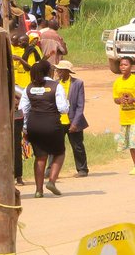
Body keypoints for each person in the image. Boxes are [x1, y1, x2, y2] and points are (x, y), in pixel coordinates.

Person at [20, 60, 68, 198]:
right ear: (49, 71)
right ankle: (51, 181)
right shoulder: (56, 86)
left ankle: (38, 190)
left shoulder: (28, 87)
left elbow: (23, 110)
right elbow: (63, 108)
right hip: (52, 124)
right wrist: (68, 105)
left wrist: (25, 128)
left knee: (40, 157)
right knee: (59, 152)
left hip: (34, 125)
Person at [56, 61, 88, 178]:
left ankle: (82, 169)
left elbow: (80, 105)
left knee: (77, 146)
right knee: (55, 147)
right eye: (57, 70)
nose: (58, 72)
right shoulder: (55, 84)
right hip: (58, 121)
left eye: (60, 70)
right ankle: (51, 171)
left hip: (73, 121)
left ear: (67, 71)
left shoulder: (77, 83)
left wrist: (75, 123)